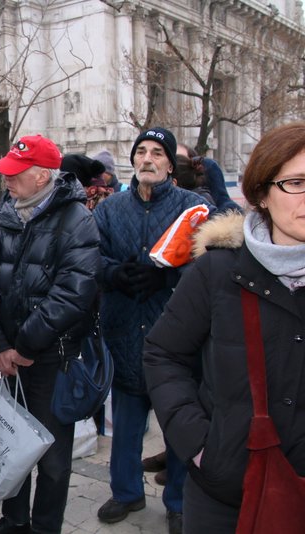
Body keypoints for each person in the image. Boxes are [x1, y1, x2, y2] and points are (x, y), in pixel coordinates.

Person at [144, 122, 305, 532]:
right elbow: (163, 353)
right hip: (225, 494)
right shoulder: (217, 270)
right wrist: (199, 446)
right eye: (296, 183)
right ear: (262, 194)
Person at [93, 127, 214, 534]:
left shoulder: (193, 208)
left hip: (176, 338)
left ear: (170, 164)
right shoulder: (110, 209)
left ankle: (179, 501)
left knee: (179, 426)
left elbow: (212, 265)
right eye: (141, 151)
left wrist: (169, 278)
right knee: (126, 426)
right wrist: (115, 274)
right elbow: (90, 258)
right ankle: (127, 492)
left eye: (157, 153)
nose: (148, 159)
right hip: (125, 330)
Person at [0, 135, 101, 534]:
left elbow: (73, 294)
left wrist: (25, 345)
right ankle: (15, 520)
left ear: (43, 176)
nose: (7, 180)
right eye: (6, 172)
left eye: (15, 173)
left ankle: (46, 526)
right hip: (9, 355)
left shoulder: (77, 219)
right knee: (12, 439)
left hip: (51, 357)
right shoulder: (5, 214)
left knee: (52, 455)